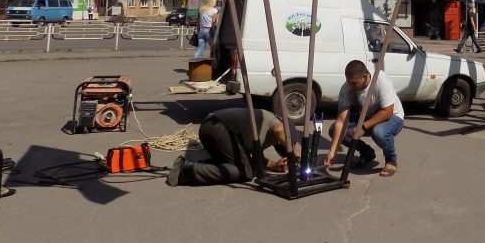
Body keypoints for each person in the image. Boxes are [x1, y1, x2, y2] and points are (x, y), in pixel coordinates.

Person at [166, 107, 295, 186]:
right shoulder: (276, 125)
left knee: (233, 164)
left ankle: (189, 165)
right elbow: (279, 130)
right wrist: (294, 151)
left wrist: (274, 165)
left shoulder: (263, 129)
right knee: (246, 172)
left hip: (212, 127)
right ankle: (188, 171)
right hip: (218, 128)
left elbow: (256, 159)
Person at [325, 60, 404, 178]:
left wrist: (363, 127)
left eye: (354, 83)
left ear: (365, 77)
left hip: (393, 117)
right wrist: (333, 151)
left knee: (379, 132)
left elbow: (387, 112)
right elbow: (341, 121)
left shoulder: (381, 80)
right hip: (368, 116)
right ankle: (367, 152)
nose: (351, 86)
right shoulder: (347, 88)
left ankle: (391, 160)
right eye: (349, 82)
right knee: (334, 130)